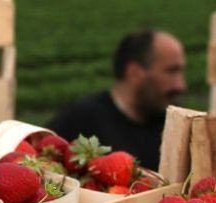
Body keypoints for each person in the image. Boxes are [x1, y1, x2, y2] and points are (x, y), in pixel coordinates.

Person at [49, 29, 188, 167]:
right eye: (171, 71)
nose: (181, 86)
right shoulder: (79, 120)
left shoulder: (173, 126)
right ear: (134, 72)